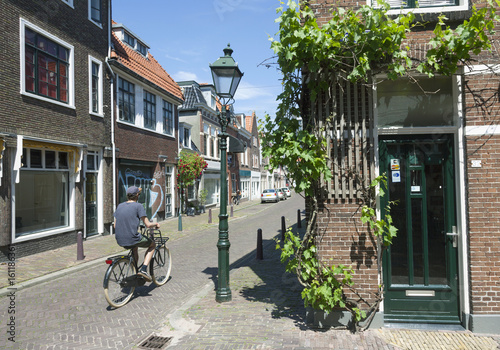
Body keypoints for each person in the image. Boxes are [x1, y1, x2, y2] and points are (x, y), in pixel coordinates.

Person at [113, 186, 159, 282]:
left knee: (135, 248)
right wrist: (156, 224)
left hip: (119, 239)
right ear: (137, 195)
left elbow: (115, 225)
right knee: (153, 245)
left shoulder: (120, 206)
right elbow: (147, 224)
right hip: (132, 238)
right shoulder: (138, 206)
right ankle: (143, 270)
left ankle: (135, 271)